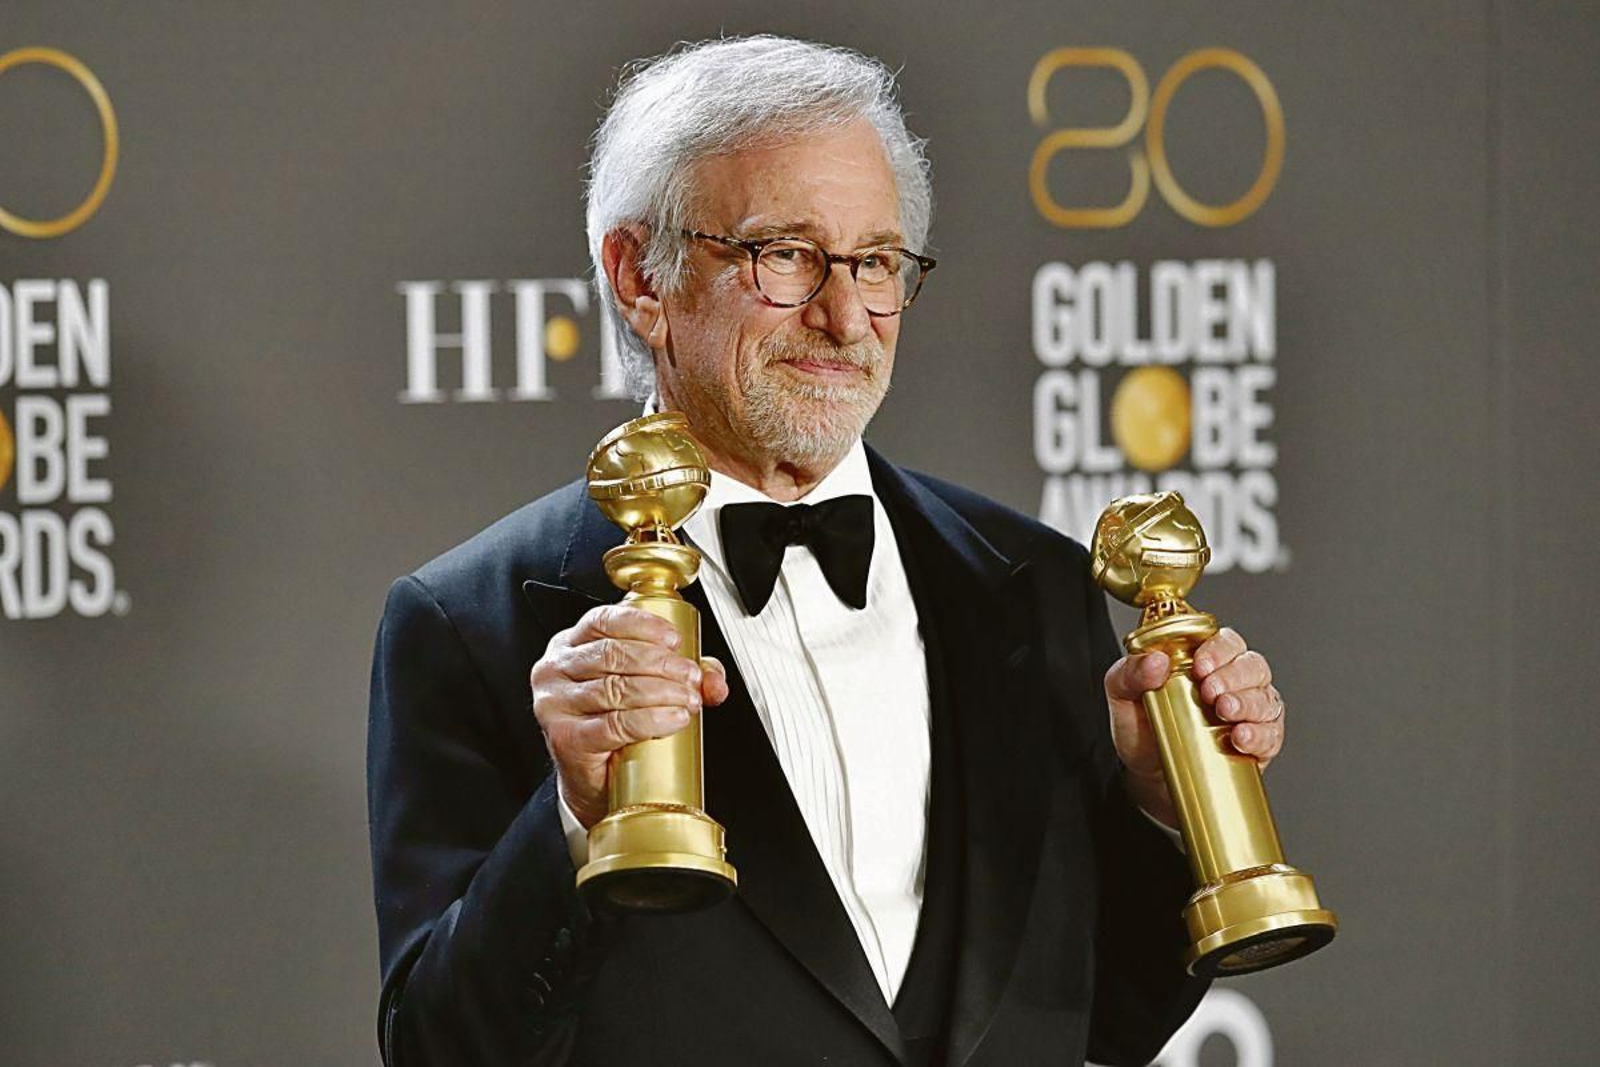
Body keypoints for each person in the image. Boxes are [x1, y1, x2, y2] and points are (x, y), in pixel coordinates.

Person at [367, 35, 1289, 1067]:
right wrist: (574, 818)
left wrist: (1166, 807)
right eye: (784, 254)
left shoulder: (1030, 582)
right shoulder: (472, 623)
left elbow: (1111, 1017)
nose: (845, 316)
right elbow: (440, 1047)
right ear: (639, 277)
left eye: (876, 262)